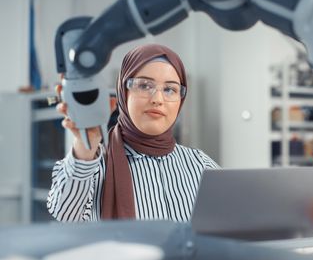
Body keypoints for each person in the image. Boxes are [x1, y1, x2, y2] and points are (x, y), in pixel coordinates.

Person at [47, 44, 219, 222]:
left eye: (170, 89)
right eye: (144, 85)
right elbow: (65, 214)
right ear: (124, 92)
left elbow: (232, 226)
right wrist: (86, 144)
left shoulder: (201, 166)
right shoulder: (95, 166)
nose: (157, 100)